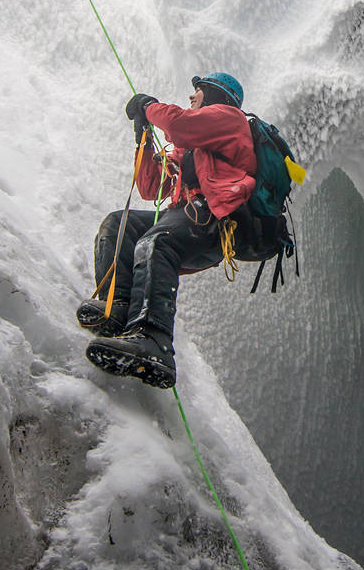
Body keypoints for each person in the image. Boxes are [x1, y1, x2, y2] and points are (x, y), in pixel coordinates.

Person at [79, 71, 256, 388]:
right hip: (189, 217)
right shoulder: (193, 149)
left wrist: (150, 107)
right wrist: (143, 140)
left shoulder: (231, 120)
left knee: (156, 240)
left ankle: (153, 340)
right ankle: (117, 307)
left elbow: (178, 125)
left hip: (213, 222)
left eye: (198, 91)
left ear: (216, 95)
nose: (192, 97)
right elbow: (150, 186)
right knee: (119, 224)